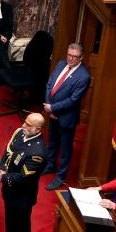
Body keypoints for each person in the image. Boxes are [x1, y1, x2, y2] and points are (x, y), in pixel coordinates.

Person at [0, 113, 46, 232]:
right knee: (10, 219)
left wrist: (3, 176)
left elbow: (23, 177)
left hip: (22, 194)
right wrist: (2, 167)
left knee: (21, 225)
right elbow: (7, 153)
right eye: (25, 122)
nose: (23, 125)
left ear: (37, 129)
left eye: (28, 125)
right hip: (10, 189)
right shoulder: (19, 133)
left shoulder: (37, 153)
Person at [43, 43, 92, 190]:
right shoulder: (61, 64)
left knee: (65, 149)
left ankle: (61, 176)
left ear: (81, 58)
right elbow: (49, 84)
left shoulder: (84, 77)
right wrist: (48, 105)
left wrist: (53, 108)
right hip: (52, 113)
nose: (71, 59)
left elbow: (73, 100)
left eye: (75, 57)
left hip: (66, 118)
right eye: (69, 55)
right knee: (52, 141)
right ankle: (50, 165)